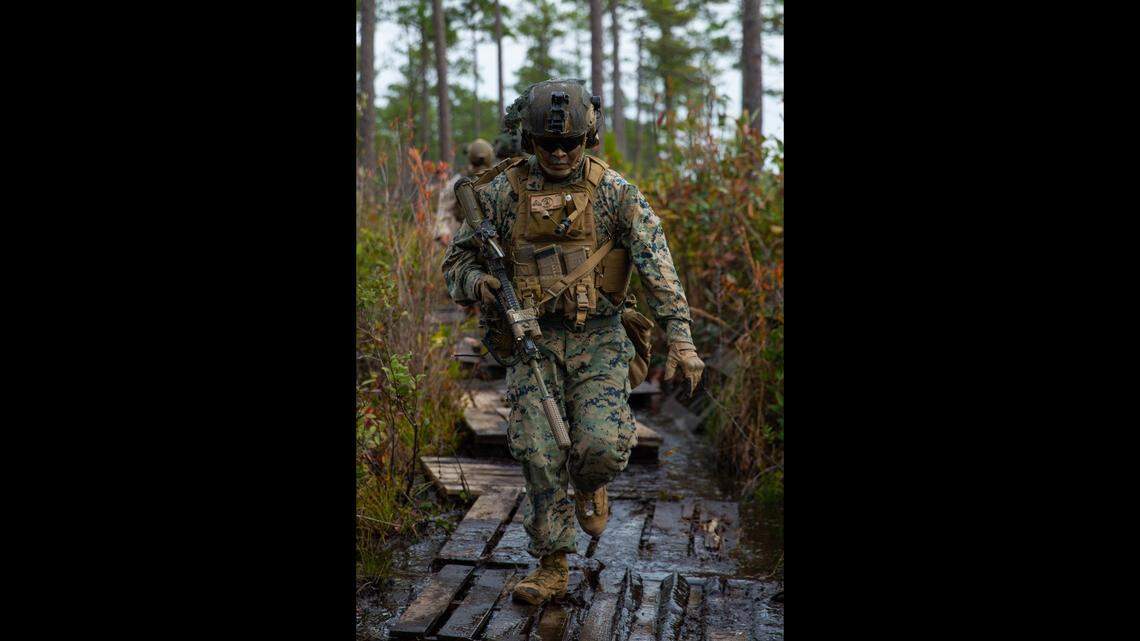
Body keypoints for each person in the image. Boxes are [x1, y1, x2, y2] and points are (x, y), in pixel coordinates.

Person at [442, 79, 705, 605]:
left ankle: (589, 483)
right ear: (528, 140)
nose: (559, 154)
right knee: (537, 452)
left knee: (603, 449)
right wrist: (480, 284)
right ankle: (553, 563)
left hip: (600, 337)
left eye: (571, 144)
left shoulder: (615, 193)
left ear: (590, 137)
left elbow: (659, 270)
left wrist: (681, 340)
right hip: (530, 341)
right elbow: (458, 263)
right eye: (547, 144)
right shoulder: (500, 191)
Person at [434, 138, 495, 245]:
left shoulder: (498, 178)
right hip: (465, 235)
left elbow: (444, 206)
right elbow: (445, 206)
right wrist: (443, 231)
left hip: (494, 235)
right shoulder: (460, 181)